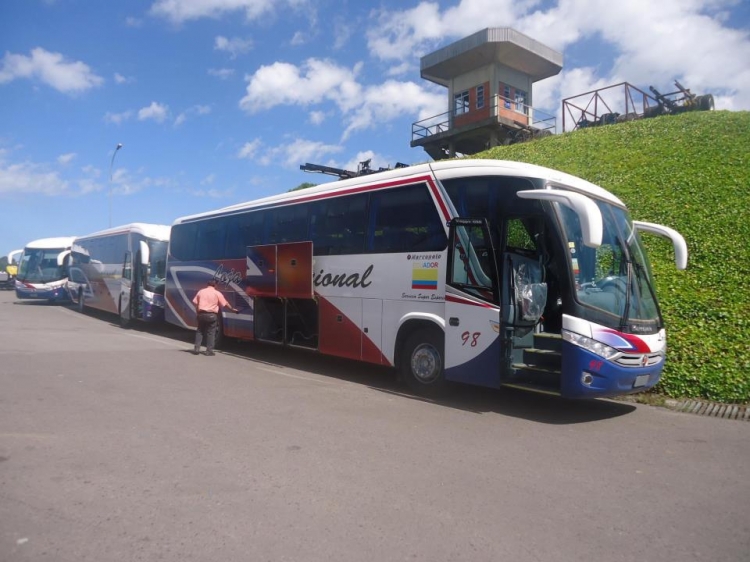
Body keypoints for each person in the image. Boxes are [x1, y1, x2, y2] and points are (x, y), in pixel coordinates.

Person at [191, 279, 238, 356]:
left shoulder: (201, 291)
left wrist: (197, 313)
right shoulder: (217, 293)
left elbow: (195, 303)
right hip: (212, 315)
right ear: (215, 285)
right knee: (211, 333)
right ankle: (209, 351)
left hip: (201, 314)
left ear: (207, 284)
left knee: (200, 331)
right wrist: (232, 309)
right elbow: (225, 303)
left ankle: (196, 349)